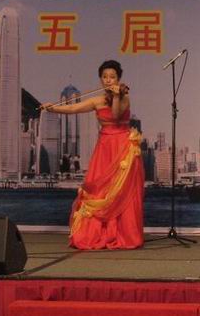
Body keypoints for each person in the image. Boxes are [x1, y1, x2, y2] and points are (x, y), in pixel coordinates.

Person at [41, 60, 144, 250]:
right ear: (100, 79)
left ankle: (123, 234)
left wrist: (116, 95)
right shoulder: (96, 100)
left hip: (122, 146)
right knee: (99, 187)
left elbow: (115, 116)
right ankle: (98, 233)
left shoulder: (124, 98)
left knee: (121, 190)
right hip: (104, 146)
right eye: (104, 77)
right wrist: (53, 108)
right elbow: (73, 108)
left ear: (118, 78)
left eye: (112, 76)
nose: (108, 80)